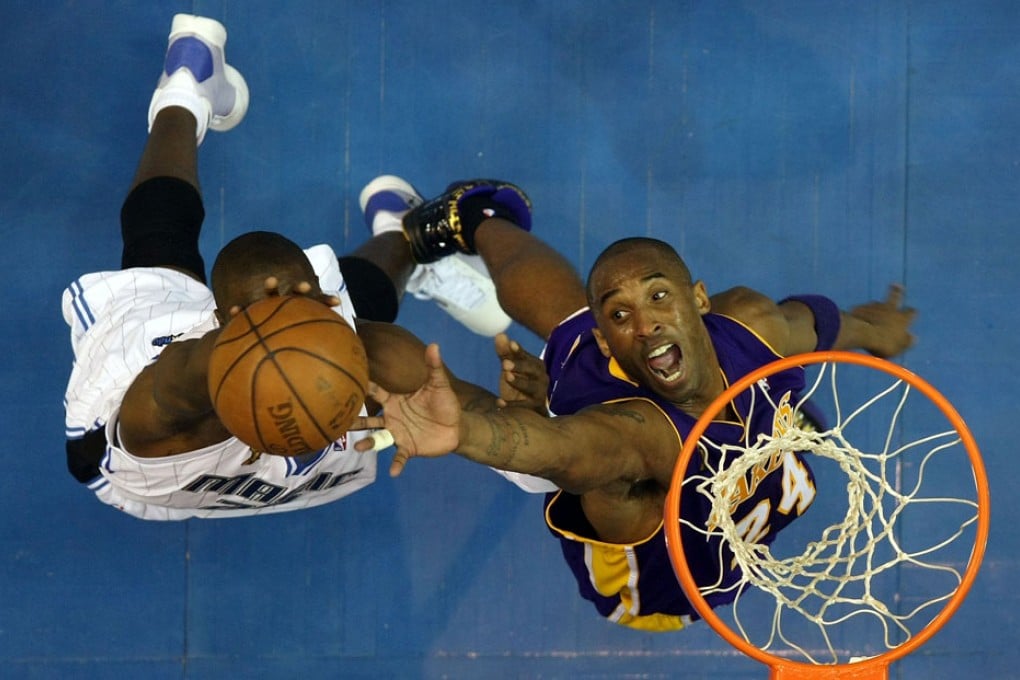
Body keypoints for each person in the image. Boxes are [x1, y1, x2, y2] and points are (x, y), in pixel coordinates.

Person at [354, 180, 917, 631]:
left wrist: (873, 328)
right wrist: (467, 435)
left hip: (665, 436)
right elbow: (565, 448)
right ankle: (343, 336)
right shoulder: (642, 437)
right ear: (609, 340)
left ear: (699, 300)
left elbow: (814, 324)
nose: (643, 324)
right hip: (641, 562)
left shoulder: (752, 323)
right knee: (499, 421)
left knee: (570, 323)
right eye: (619, 316)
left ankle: (472, 218)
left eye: (658, 296)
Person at [61, 14, 542, 520]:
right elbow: (186, 376)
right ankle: (183, 98)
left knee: (161, 246)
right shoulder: (158, 405)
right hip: (138, 461)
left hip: (265, 380)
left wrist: (523, 426)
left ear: (325, 300)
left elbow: (516, 448)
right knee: (158, 250)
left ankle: (408, 233)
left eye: (317, 304)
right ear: (226, 322)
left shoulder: (369, 348)